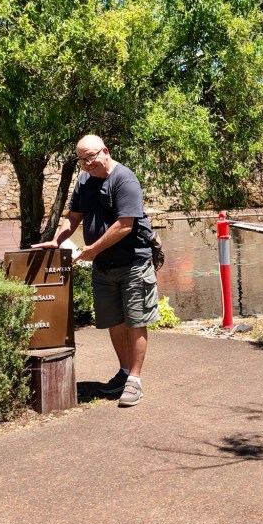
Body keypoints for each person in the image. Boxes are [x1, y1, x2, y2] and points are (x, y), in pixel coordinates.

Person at [32, 135, 159, 407]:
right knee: (114, 321)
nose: (88, 163)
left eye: (91, 156)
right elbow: (74, 217)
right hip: (104, 266)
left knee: (136, 321)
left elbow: (125, 225)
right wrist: (57, 239)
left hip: (133, 263)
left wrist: (92, 250)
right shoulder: (84, 181)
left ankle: (135, 380)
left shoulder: (124, 179)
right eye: (82, 159)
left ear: (105, 151)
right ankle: (124, 372)